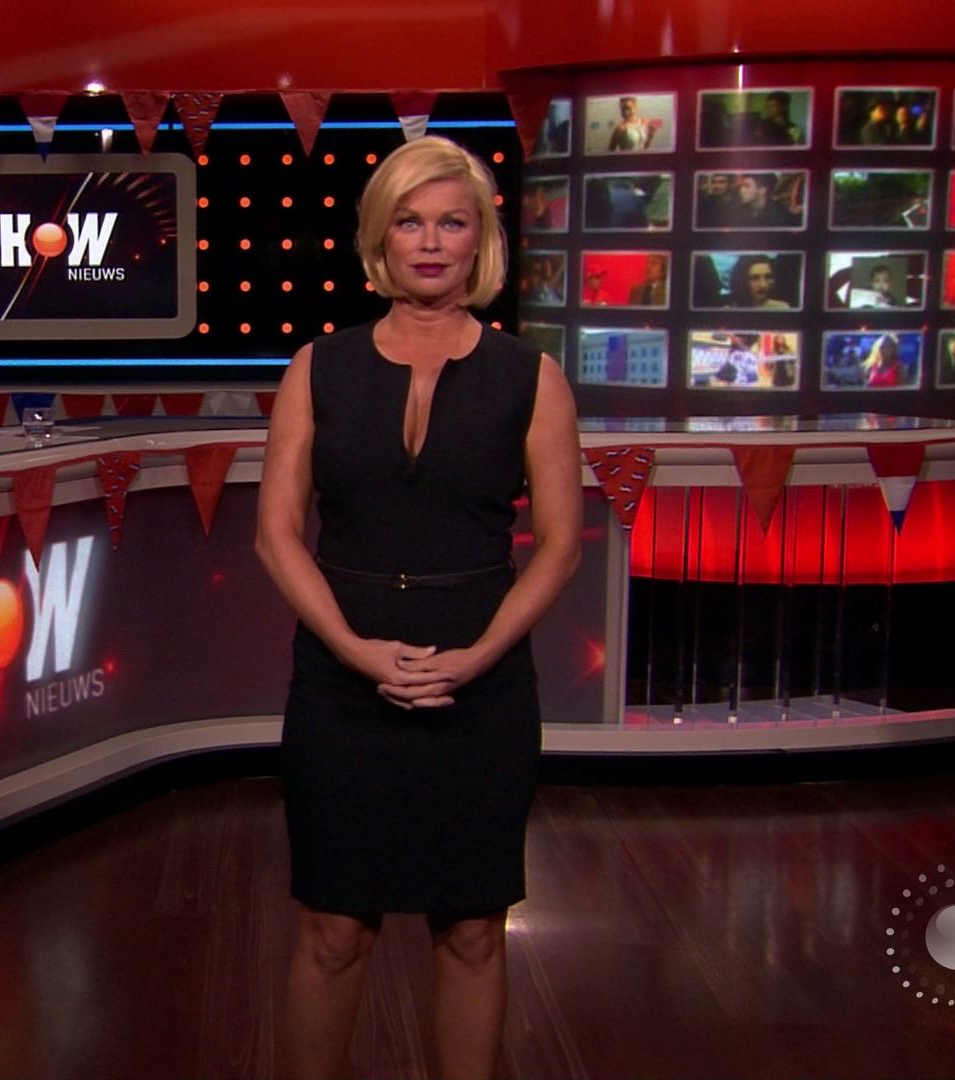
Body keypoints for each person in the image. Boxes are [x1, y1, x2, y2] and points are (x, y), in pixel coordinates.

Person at [255, 135, 582, 1080]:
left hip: (479, 685)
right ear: (379, 238)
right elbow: (277, 535)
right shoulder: (317, 367)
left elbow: (561, 546)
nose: (431, 242)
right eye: (409, 221)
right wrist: (355, 650)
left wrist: (478, 657)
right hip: (342, 682)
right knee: (333, 930)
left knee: (474, 931)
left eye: (452, 222)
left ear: (481, 241)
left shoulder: (532, 377)